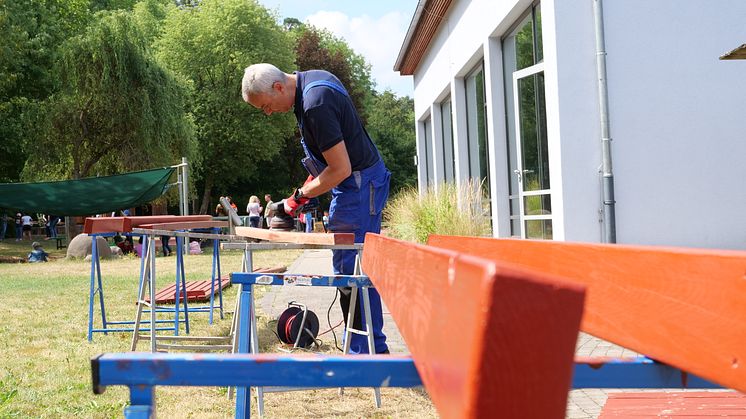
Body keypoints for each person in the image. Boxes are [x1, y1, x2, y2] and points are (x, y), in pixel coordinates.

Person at [242, 63, 391, 354]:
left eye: (265, 106)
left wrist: (295, 199)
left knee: (355, 268)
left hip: (359, 184)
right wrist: (295, 200)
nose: (268, 113)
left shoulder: (315, 103)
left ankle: (369, 352)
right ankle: (358, 346)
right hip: (353, 182)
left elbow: (339, 168)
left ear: (278, 87)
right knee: (347, 267)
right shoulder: (309, 86)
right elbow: (327, 163)